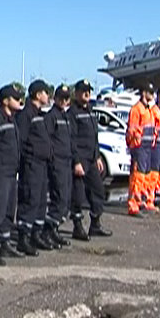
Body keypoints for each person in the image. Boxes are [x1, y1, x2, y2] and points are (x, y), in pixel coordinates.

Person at [68, 79, 111, 238]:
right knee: (78, 196)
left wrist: (98, 156)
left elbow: (95, 136)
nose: (87, 94)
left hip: (92, 158)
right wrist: (76, 161)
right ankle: (77, 227)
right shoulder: (72, 113)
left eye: (89, 91)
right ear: (77, 93)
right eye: (84, 91)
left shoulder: (91, 110)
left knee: (98, 190)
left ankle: (95, 224)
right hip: (80, 159)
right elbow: (71, 139)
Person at [15, 79, 53, 255]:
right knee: (30, 199)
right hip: (31, 165)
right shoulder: (26, 115)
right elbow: (21, 141)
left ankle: (35, 234)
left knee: (40, 201)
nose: (48, 96)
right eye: (45, 92)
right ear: (38, 95)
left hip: (42, 165)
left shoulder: (39, 114)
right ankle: (23, 237)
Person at [0, 84, 24, 258]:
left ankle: (5, 242)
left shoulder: (12, 119)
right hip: (0, 172)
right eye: (15, 98)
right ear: (5, 101)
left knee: (10, 210)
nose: (19, 101)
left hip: (12, 172)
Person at [44, 84, 75, 247]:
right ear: (55, 99)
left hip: (67, 161)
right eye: (61, 98)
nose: (64, 101)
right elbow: (48, 140)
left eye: (66, 98)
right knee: (59, 198)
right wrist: (52, 158)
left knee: (66, 200)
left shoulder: (66, 117)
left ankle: (54, 228)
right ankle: (47, 230)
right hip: (57, 162)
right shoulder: (51, 116)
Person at [126, 84, 155, 217]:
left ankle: (141, 202)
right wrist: (136, 144)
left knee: (145, 176)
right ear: (144, 93)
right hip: (139, 147)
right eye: (150, 92)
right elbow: (132, 130)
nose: (152, 94)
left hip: (147, 147)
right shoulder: (136, 109)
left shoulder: (148, 109)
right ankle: (133, 205)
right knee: (137, 176)